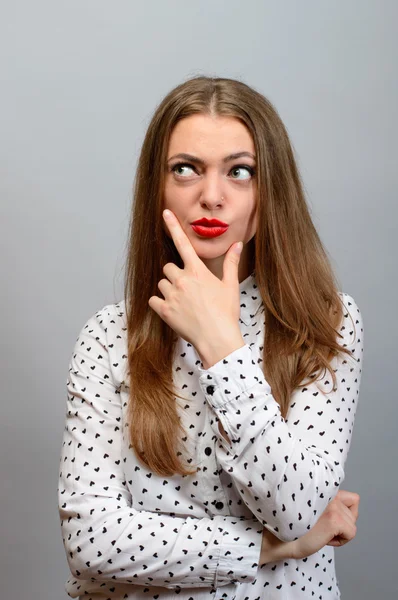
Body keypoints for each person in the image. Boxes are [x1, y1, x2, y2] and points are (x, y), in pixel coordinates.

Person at [57, 76, 364, 600]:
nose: (211, 197)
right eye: (186, 169)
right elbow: (92, 540)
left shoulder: (326, 323)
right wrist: (265, 549)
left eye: (239, 172)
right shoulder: (109, 336)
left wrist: (222, 345)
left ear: (271, 190)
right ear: (158, 184)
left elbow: (296, 512)